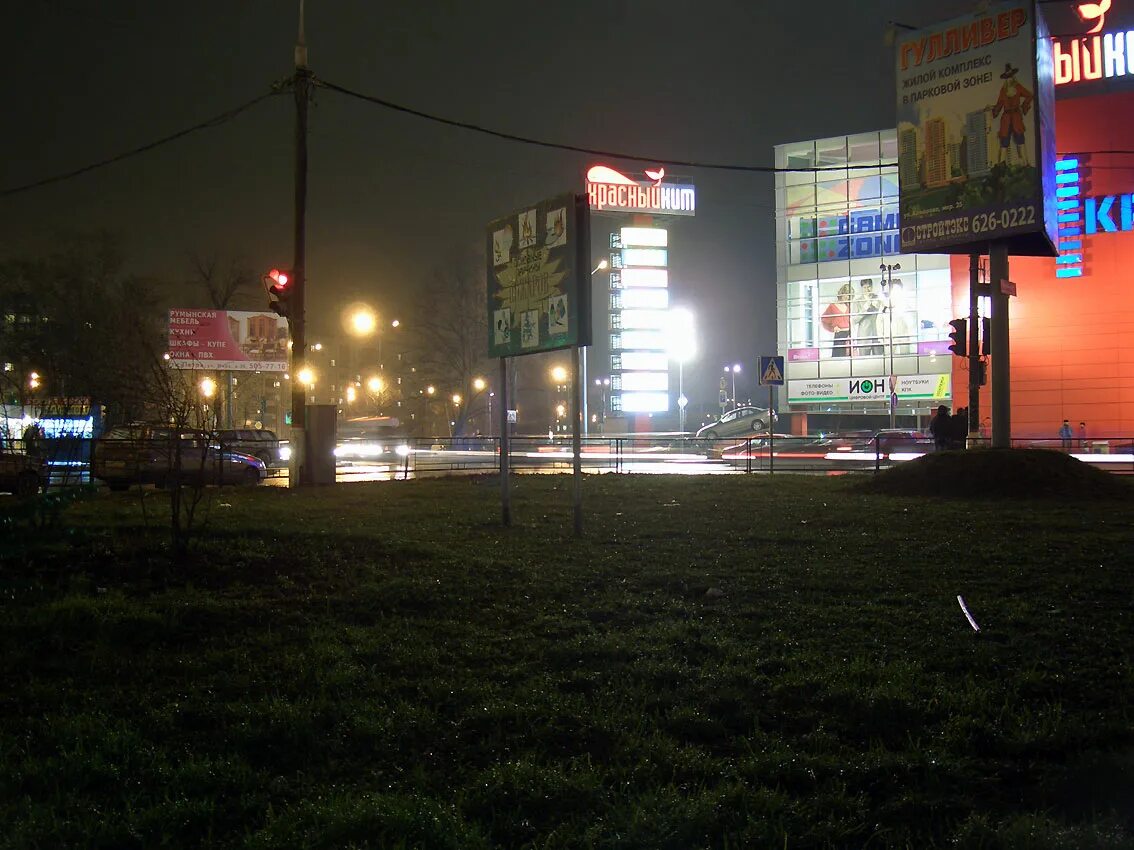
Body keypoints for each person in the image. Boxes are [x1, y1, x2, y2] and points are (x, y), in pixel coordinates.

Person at [991, 62, 1033, 166]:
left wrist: (1024, 106)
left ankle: (1025, 163)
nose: (1009, 79)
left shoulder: (1018, 87)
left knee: (1020, 140)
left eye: (1010, 77)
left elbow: (1029, 95)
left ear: (1013, 77)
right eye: (1007, 77)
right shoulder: (1003, 90)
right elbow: (999, 104)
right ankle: (1001, 165)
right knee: (1004, 143)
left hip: (1016, 118)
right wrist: (994, 110)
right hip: (1006, 120)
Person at [821, 282, 854, 358]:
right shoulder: (832, 306)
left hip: (849, 335)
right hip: (839, 335)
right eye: (846, 294)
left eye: (850, 295)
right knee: (839, 357)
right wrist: (832, 329)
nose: (848, 297)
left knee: (849, 358)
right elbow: (824, 320)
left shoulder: (849, 306)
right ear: (842, 293)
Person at [852, 278, 883, 355]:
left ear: (872, 286)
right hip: (864, 337)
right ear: (861, 288)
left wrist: (878, 307)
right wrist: (865, 308)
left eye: (868, 287)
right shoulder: (857, 301)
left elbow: (883, 314)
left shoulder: (878, 298)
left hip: (877, 336)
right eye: (864, 287)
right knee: (864, 360)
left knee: (880, 360)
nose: (867, 289)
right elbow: (854, 320)